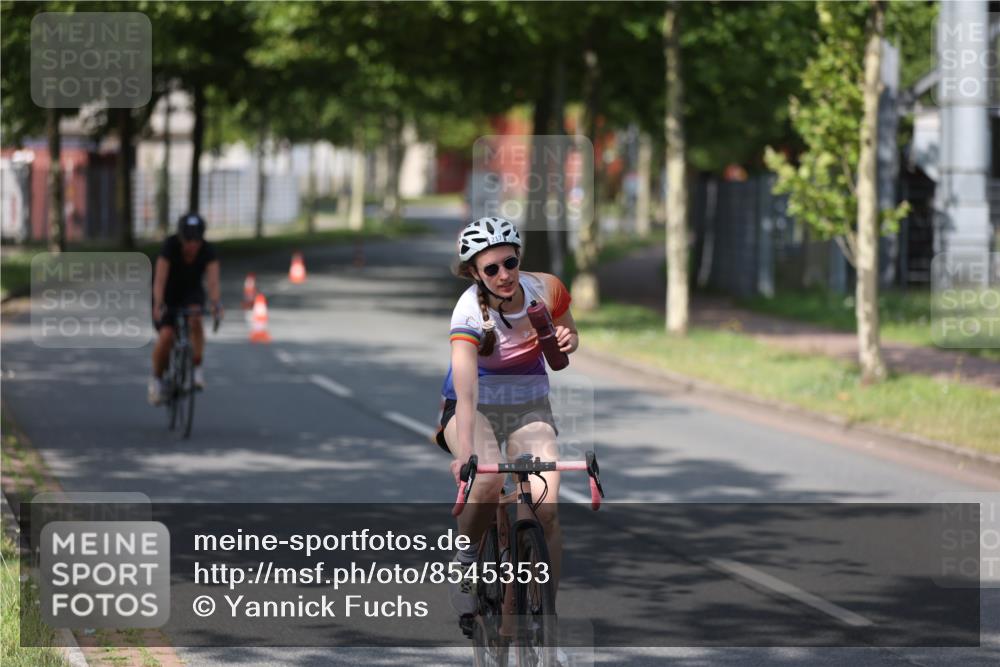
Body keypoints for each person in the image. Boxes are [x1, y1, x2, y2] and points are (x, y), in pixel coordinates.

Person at [435, 216, 579, 615]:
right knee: (489, 477)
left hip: (529, 406)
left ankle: (545, 617)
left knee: (545, 506)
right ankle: (464, 564)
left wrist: (570, 340)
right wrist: (467, 454)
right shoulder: (467, 313)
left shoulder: (546, 288)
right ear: (474, 273)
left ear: (519, 258)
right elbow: (466, 393)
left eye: (510, 263)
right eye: (491, 269)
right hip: (473, 407)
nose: (504, 275)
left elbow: (570, 336)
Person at [147, 213, 222, 405]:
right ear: (180, 238)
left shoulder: (208, 251)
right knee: (166, 336)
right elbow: (160, 279)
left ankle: (196, 368)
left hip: (191, 292)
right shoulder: (170, 247)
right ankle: (156, 379)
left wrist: (215, 304)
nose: (192, 244)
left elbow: (213, 283)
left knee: (196, 318)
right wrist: (158, 303)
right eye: (188, 239)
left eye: (196, 240)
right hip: (168, 294)